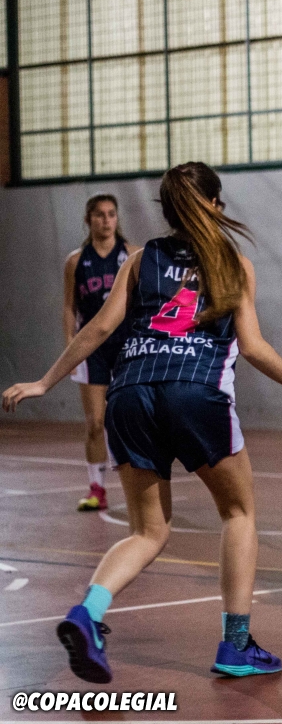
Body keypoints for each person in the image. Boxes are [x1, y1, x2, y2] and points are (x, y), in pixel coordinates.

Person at [2, 162, 282, 683]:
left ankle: (88, 613)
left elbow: (99, 327)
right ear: (216, 205)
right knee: (239, 513)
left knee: (148, 531)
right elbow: (253, 347)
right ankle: (235, 645)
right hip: (195, 390)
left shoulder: (139, 259)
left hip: (129, 392)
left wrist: (44, 381)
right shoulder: (233, 263)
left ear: (169, 212)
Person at [64, 194, 136, 511]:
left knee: (129, 418)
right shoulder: (76, 261)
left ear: (117, 219)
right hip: (91, 348)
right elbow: (69, 307)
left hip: (126, 346)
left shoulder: (132, 255)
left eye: (111, 214)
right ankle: (97, 489)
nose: (106, 220)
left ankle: (138, 487)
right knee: (95, 422)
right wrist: (70, 345)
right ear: (88, 219)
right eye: (99, 215)